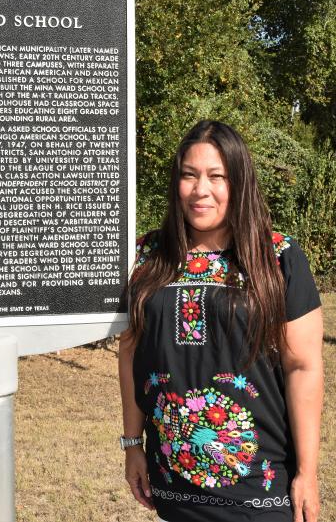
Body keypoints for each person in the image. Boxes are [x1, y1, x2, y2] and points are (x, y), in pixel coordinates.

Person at [118, 120, 324, 522]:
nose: (201, 190)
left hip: (259, 488)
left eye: (217, 176)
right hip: (173, 484)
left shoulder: (277, 257)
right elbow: (129, 351)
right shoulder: (148, 255)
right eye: (189, 175)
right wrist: (132, 444)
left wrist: (307, 473)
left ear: (239, 183)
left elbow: (303, 366)